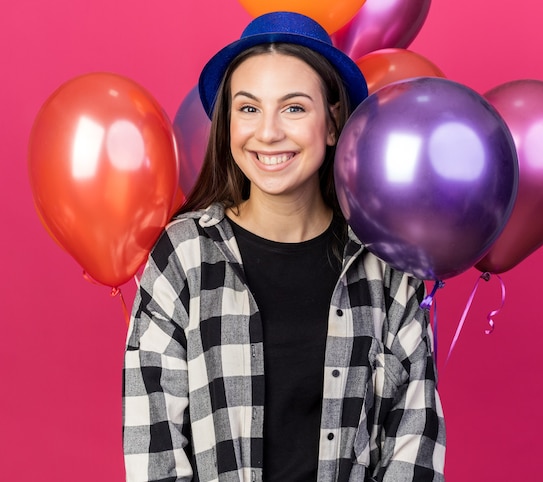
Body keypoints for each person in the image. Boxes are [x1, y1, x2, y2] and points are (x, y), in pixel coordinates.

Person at [123, 11, 445, 482]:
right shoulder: (185, 254)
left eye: (294, 108)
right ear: (227, 125)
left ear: (332, 125)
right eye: (249, 108)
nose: (269, 132)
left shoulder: (384, 263)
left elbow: (414, 440)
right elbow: (153, 444)